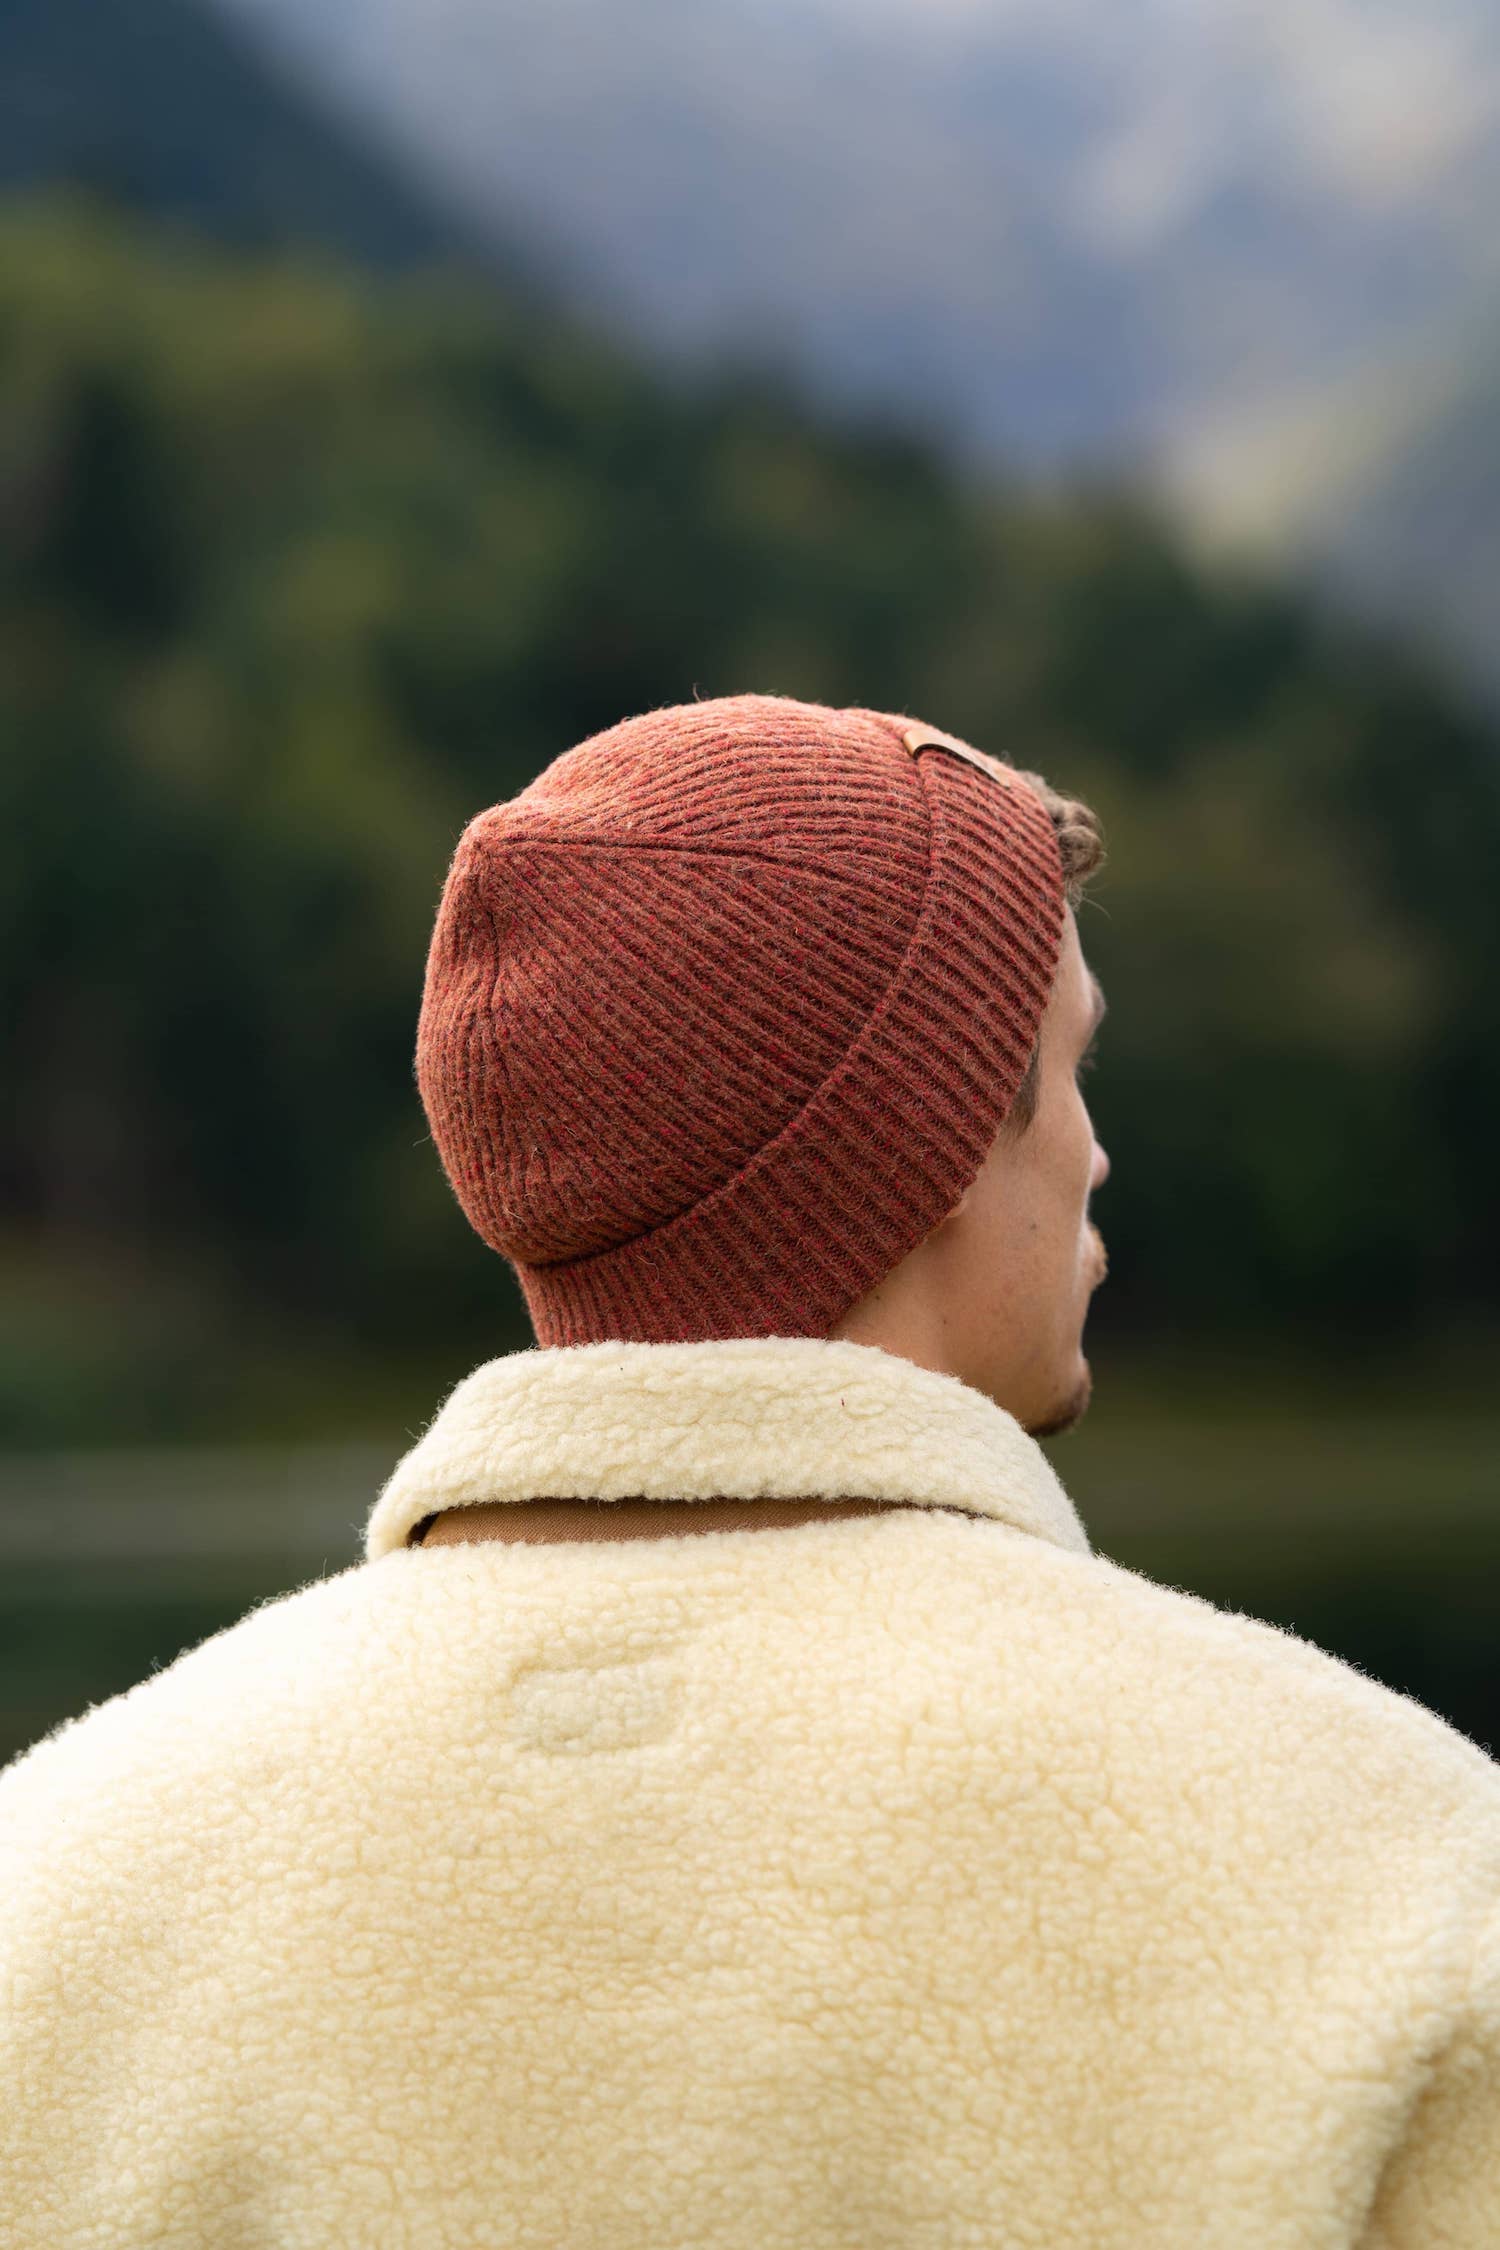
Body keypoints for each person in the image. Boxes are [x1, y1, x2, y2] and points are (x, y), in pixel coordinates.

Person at [1, 691, 1495, 2247]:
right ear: (931, 1134)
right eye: (1069, 1068)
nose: (1094, 1151)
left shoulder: (49, 1886)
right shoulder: (1393, 1868)